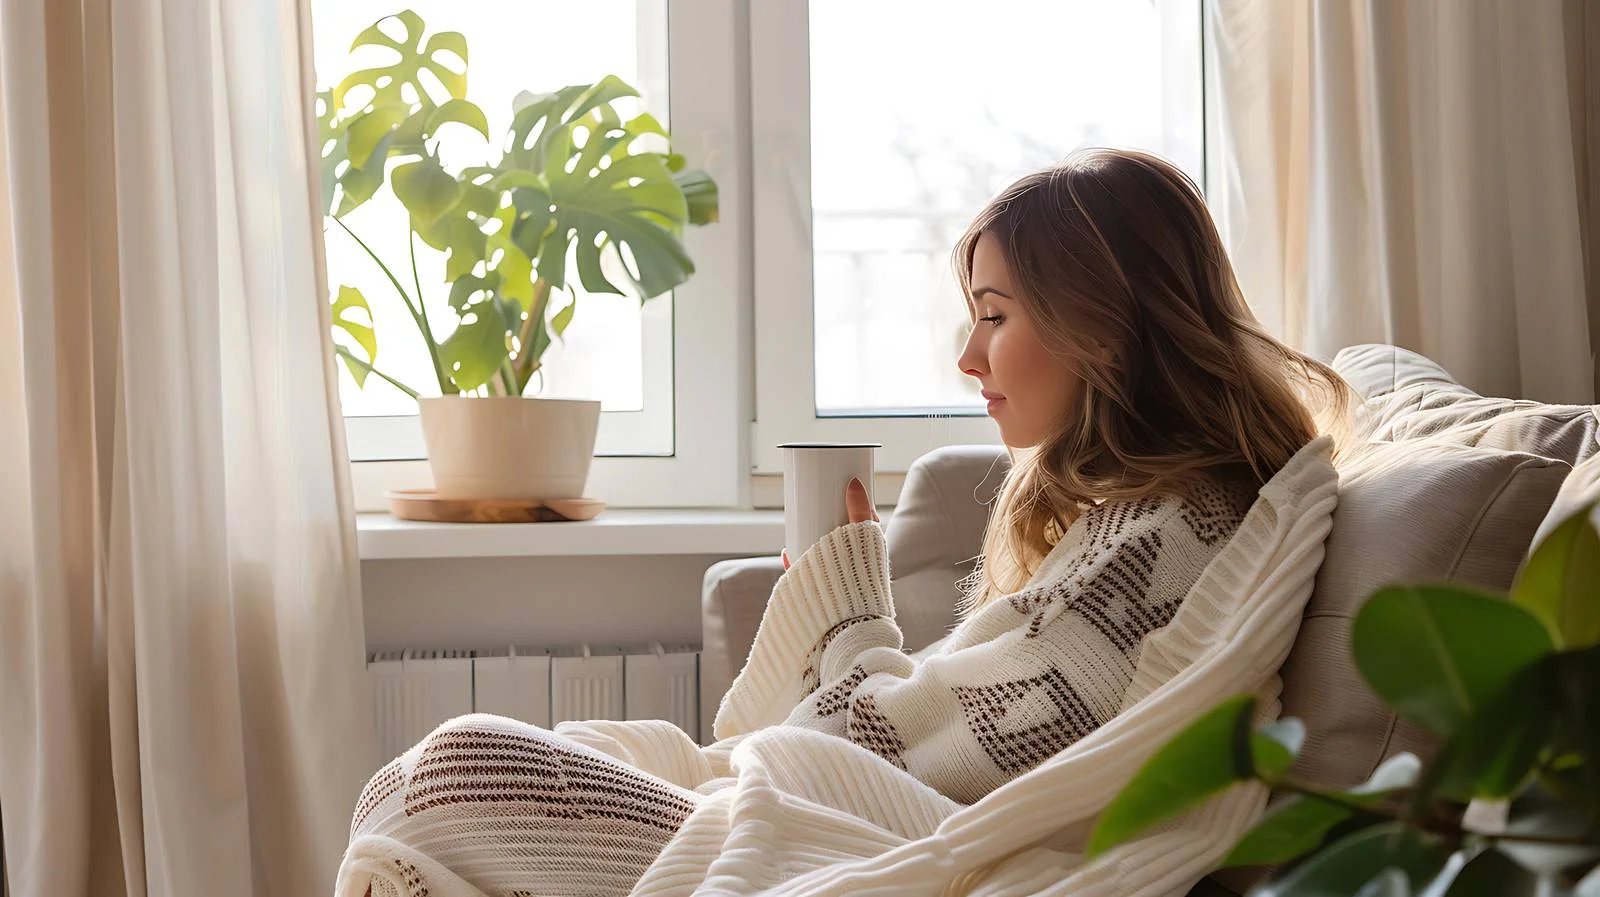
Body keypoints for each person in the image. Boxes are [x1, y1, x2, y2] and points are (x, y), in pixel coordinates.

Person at [336, 148, 1347, 897]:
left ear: (1107, 325)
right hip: (856, 818)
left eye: (995, 315)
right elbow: (933, 735)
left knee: (456, 769)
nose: (969, 357)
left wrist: (848, 607)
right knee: (411, 784)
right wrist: (841, 609)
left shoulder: (1175, 530)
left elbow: (926, 764)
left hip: (879, 849)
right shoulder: (1134, 514)